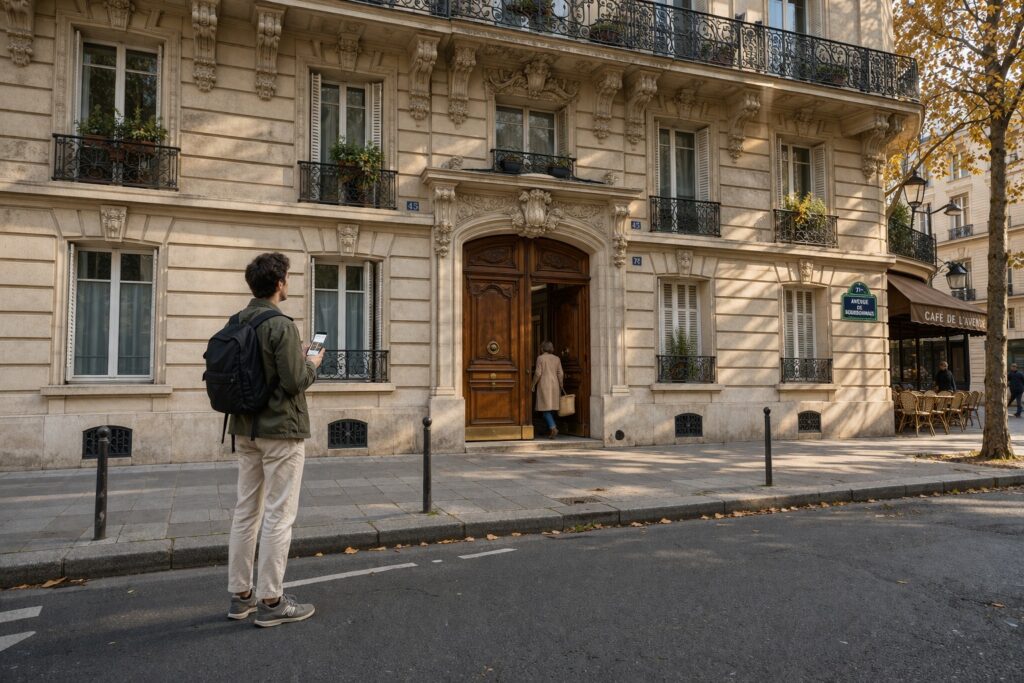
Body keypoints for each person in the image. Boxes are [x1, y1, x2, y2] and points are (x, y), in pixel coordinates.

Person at [226, 252, 323, 627]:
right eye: (288, 277)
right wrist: (311, 363)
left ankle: (241, 596)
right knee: (279, 515)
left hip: (245, 428)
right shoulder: (280, 325)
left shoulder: (238, 320)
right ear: (280, 282)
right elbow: (295, 381)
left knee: (245, 512)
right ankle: (271, 600)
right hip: (281, 431)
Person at [531, 340, 564, 439]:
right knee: (551, 408)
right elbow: (560, 373)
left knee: (545, 409)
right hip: (555, 385)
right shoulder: (557, 358)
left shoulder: (540, 358)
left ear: (542, 348)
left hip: (544, 385)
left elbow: (537, 373)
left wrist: (533, 384)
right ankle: (547, 429)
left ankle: (553, 428)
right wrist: (561, 385)